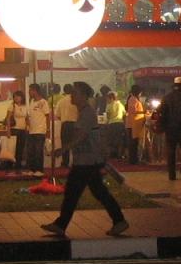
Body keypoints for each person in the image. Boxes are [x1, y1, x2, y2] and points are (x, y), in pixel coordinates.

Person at [41, 81, 129, 238]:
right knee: (97, 192)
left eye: (75, 93)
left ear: (83, 95)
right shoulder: (84, 112)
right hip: (88, 160)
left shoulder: (87, 113)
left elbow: (81, 136)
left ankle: (61, 224)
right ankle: (119, 220)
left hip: (87, 161)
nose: (71, 96)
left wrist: (63, 149)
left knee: (73, 192)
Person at [159, 76, 181, 180]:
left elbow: (161, 112)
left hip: (170, 129)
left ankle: (171, 175)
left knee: (171, 151)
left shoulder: (166, 97)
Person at [25, 84, 50, 172]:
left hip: (40, 131)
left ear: (35, 91)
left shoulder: (43, 102)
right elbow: (29, 115)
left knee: (38, 151)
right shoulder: (31, 102)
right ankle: (32, 169)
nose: (29, 92)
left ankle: (39, 170)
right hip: (31, 130)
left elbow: (47, 116)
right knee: (31, 151)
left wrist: (48, 130)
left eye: (30, 90)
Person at [55, 83, 79, 168]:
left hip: (65, 125)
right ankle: (76, 162)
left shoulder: (61, 101)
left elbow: (57, 115)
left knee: (65, 144)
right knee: (76, 144)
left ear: (64, 91)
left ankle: (65, 162)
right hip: (75, 124)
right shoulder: (77, 100)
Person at [5, 89, 29, 169]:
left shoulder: (25, 106)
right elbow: (8, 118)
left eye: (18, 96)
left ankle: (18, 164)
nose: (16, 98)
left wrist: (27, 127)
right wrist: (8, 130)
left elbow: (27, 118)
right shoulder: (12, 106)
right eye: (15, 97)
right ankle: (10, 164)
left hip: (23, 130)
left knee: (21, 148)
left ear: (22, 97)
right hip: (14, 129)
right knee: (13, 148)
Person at [126, 84, 146, 164]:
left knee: (134, 142)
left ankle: (134, 159)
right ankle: (133, 160)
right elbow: (133, 111)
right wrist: (143, 112)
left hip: (135, 124)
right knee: (133, 143)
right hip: (132, 124)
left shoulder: (134, 99)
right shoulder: (133, 99)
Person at [103, 90, 126, 160]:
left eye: (108, 98)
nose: (107, 100)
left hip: (112, 124)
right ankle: (120, 155)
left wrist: (106, 123)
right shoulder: (121, 105)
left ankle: (112, 154)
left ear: (111, 98)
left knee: (111, 140)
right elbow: (125, 114)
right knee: (120, 140)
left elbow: (107, 116)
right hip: (120, 124)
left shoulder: (109, 105)